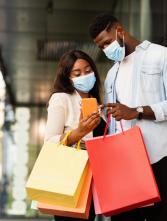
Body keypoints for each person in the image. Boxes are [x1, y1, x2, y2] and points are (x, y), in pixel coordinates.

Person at [88, 13, 167, 221]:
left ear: (120, 30)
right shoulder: (111, 74)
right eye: (101, 47)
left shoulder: (162, 56)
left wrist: (137, 111)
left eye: (107, 42)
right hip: (124, 163)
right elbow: (114, 122)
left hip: (160, 158)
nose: (106, 49)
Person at [44, 49, 105, 221]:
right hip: (71, 177)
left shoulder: (99, 103)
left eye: (88, 71)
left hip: (95, 178)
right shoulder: (61, 99)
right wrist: (78, 133)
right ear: (67, 77)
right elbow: (49, 142)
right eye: (77, 73)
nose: (84, 76)